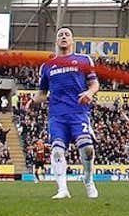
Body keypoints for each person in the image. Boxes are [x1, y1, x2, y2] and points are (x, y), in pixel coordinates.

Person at [38, 26, 100, 200]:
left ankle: (88, 180)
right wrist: (31, 101)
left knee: (87, 149)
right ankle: (62, 189)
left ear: (72, 40)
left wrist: (89, 93)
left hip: (79, 113)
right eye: (60, 35)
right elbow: (42, 93)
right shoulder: (47, 66)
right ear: (56, 41)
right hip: (57, 116)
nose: (64, 37)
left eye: (67, 35)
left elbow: (94, 84)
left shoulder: (84, 60)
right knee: (57, 151)